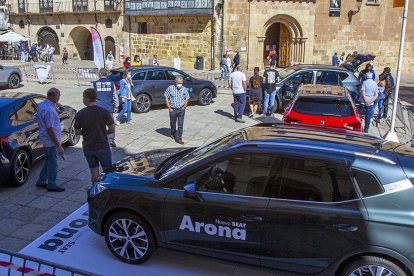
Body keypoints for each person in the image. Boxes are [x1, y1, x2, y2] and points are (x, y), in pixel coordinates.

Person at [74, 88, 115, 184]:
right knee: (108, 171)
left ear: (87, 98)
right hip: (103, 146)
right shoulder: (103, 112)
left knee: (94, 173)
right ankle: (107, 191)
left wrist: (85, 132)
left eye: (83, 97)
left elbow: (77, 131)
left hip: (89, 147)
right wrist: (104, 132)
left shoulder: (80, 113)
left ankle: (95, 192)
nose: (83, 99)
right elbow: (112, 129)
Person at [35, 88, 65, 192]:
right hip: (50, 140)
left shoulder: (43, 104)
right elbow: (50, 129)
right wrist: (59, 145)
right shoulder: (49, 110)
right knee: (53, 163)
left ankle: (41, 181)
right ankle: (52, 184)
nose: (59, 97)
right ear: (53, 96)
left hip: (45, 138)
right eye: (58, 95)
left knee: (48, 160)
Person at [91, 68, 119, 147]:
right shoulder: (111, 83)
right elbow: (115, 96)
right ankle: (110, 140)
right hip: (108, 107)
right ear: (107, 74)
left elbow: (91, 96)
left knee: (98, 124)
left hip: (98, 108)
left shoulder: (94, 84)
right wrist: (116, 106)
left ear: (99, 74)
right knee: (110, 124)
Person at [164, 76, 190, 145]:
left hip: (181, 109)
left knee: (180, 124)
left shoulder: (184, 89)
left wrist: (184, 107)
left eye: (181, 83)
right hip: (173, 109)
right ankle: (172, 133)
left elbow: (187, 98)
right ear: (175, 82)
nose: (179, 84)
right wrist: (169, 108)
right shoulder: (170, 88)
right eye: (178, 83)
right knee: (173, 123)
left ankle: (179, 138)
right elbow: (166, 97)